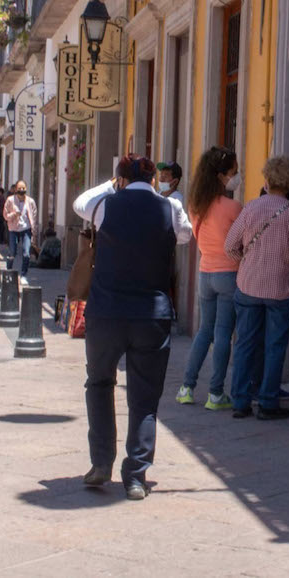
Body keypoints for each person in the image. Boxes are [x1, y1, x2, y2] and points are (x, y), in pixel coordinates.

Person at [82, 155, 193, 500]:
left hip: (106, 313)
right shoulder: (170, 209)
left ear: (120, 178)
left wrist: (112, 185)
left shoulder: (103, 205)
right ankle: (136, 475)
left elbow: (79, 203)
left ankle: (101, 462)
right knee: (144, 398)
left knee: (100, 384)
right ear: (153, 178)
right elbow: (186, 236)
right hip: (151, 314)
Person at [225, 156, 289, 420]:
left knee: (245, 343)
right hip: (281, 288)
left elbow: (230, 246)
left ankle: (240, 401)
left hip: (248, 285)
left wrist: (248, 261)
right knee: (275, 345)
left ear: (267, 179)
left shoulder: (250, 208)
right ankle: (268, 402)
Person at [175, 147, 242, 410]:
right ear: (222, 175)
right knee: (224, 333)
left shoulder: (195, 206)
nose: (237, 177)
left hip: (206, 274)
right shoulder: (233, 207)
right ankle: (215, 394)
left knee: (204, 331)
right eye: (234, 172)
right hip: (229, 274)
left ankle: (186, 387)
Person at [4, 180, 37, 277]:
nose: (21, 190)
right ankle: (8, 271)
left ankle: (23, 274)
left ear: (26, 189)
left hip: (26, 229)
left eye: (23, 188)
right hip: (13, 229)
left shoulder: (30, 202)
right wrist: (14, 214)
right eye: (19, 188)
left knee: (26, 253)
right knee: (12, 253)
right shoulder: (10, 200)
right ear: (15, 189)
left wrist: (33, 227)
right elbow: (5, 215)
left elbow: (34, 214)